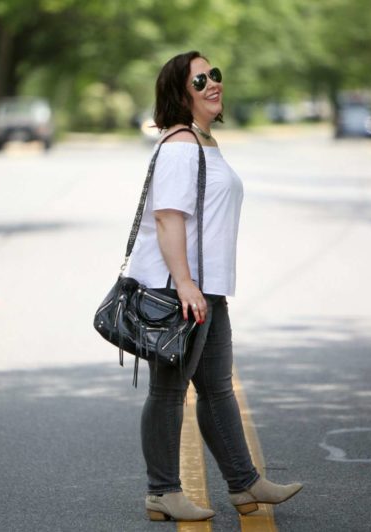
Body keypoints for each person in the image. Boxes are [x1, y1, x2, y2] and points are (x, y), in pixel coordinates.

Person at [127, 51, 303, 522]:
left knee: (217, 388)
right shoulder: (181, 143)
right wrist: (184, 284)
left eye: (215, 74)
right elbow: (167, 218)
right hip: (179, 288)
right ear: (179, 93)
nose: (212, 84)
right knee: (169, 391)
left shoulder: (204, 140)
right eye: (199, 79)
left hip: (208, 287)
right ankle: (162, 491)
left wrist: (203, 287)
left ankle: (245, 484)